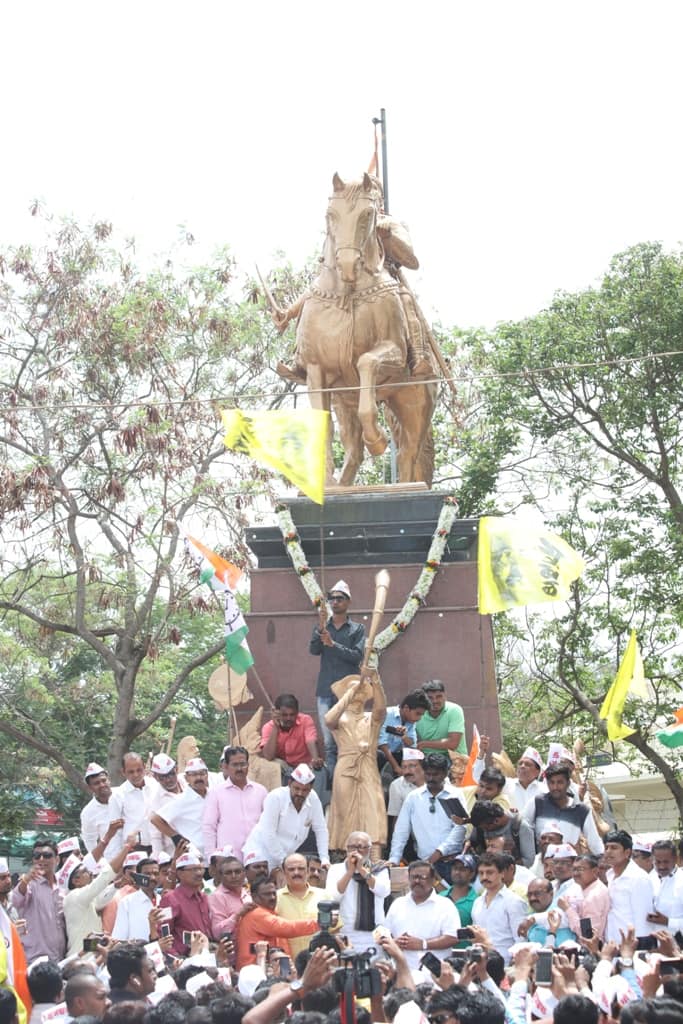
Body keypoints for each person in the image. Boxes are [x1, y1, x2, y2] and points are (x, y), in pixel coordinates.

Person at [324, 670, 387, 852]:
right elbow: (328, 720)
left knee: (372, 808)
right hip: (346, 766)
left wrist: (375, 679)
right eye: (354, 690)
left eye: (361, 690)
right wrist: (351, 691)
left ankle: (374, 854)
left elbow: (380, 710)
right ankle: (346, 853)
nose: (358, 692)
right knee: (345, 811)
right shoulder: (340, 718)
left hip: (368, 765)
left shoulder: (370, 718)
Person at [309, 580, 365, 771]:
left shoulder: (357, 629)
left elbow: (357, 656)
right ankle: (334, 784)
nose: (335, 602)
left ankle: (350, 779)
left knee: (350, 741)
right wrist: (320, 628)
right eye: (331, 599)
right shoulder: (323, 626)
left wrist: (333, 645)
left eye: (339, 598)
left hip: (348, 693)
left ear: (348, 601)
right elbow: (313, 650)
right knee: (329, 744)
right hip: (325, 690)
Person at [62, 829, 138, 956]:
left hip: (92, 955)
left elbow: (100, 901)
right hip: (81, 958)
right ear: (76, 881)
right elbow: (104, 878)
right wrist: (127, 847)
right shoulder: (75, 897)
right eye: (86, 871)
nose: (91, 873)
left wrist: (116, 885)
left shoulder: (84, 898)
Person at [389, 752, 466, 877]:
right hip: (425, 863)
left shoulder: (455, 795)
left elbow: (460, 828)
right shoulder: (413, 797)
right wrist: (394, 858)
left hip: (451, 863)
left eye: (435, 774)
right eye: (428, 774)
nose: (430, 778)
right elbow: (401, 831)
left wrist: (439, 852)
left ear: (445, 774)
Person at [243, 765, 330, 872]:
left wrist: (324, 858)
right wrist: (285, 861)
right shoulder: (276, 797)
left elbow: (321, 829)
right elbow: (268, 834)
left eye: (305, 790)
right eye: (296, 788)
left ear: (311, 788)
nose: (300, 793)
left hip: (286, 858)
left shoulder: (313, 798)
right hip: (260, 854)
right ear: (289, 784)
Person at [385, 860, 461, 970]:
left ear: (433, 880)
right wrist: (393, 943)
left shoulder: (446, 905)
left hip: (434, 974)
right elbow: (386, 933)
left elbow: (453, 937)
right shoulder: (398, 904)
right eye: (413, 877)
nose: (417, 881)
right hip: (401, 972)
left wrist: (423, 944)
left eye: (422, 877)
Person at [326, 831, 391, 952]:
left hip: (374, 934)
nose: (356, 851)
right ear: (346, 849)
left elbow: (383, 891)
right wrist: (350, 872)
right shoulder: (335, 869)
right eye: (352, 847)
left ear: (369, 849)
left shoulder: (379, 869)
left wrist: (361, 870)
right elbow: (333, 897)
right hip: (346, 932)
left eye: (361, 847)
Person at [235, 875, 319, 969]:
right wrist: (320, 923)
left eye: (274, 893)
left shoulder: (270, 913)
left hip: (271, 971)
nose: (272, 897)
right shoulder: (256, 914)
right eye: (267, 894)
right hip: (255, 973)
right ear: (254, 896)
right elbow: (287, 928)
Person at [523, 762, 604, 855]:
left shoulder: (581, 810)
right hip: (542, 861)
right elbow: (524, 827)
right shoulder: (537, 802)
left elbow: (594, 842)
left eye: (560, 782)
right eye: (552, 782)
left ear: (568, 783)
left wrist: (604, 859)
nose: (555, 787)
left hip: (569, 861)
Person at [260, 694, 328, 805]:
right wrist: (276, 727)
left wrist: (315, 759)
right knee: (271, 766)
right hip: (284, 768)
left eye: (292, 715)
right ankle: (278, 805)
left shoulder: (306, 720)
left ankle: (316, 806)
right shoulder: (268, 727)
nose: (288, 718)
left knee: (320, 770)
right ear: (277, 713)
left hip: (305, 766)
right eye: (284, 715)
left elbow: (311, 740)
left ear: (297, 713)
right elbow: (268, 756)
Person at [202, 747, 268, 860]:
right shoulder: (216, 793)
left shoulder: (261, 791)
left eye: (243, 764)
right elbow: (209, 827)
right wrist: (211, 857)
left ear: (248, 765)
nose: (239, 768)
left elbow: (268, 824)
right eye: (235, 765)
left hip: (256, 858)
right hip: (228, 859)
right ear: (226, 766)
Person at [11, 840, 66, 962]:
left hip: (59, 959)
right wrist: (25, 880)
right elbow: (15, 899)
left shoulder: (62, 889)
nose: (41, 859)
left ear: (57, 859)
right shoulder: (30, 885)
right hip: (35, 960)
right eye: (37, 856)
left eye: (47, 855)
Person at [471, 851, 528, 963]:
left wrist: (513, 966)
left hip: (505, 963)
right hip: (480, 963)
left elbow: (521, 940)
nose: (484, 877)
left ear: (502, 873)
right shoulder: (477, 902)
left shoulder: (514, 902)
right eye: (481, 873)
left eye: (490, 872)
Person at [151, 757, 209, 859]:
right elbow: (155, 820)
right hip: (192, 857)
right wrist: (176, 837)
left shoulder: (214, 795)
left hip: (213, 853)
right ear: (187, 778)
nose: (198, 778)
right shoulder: (180, 800)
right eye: (194, 775)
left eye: (202, 773)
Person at [603, 829, 654, 942]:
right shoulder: (609, 875)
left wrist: (639, 949)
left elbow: (643, 920)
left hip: (632, 945)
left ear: (627, 852)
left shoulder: (638, 878)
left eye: (614, 848)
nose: (608, 851)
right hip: (612, 943)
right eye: (606, 847)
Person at [276, 853, 330, 958]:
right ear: (283, 873)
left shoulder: (324, 896)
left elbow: (335, 930)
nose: (296, 872)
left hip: (320, 961)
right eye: (291, 869)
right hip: (287, 963)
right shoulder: (274, 898)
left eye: (301, 869)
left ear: (308, 871)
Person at [158, 850, 212, 956]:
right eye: (193, 870)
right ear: (180, 874)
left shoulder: (204, 897)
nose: (199, 873)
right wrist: (175, 957)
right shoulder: (169, 899)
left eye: (200, 869)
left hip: (206, 952)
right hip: (184, 956)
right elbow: (163, 932)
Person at [107, 752, 158, 854]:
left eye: (139, 770)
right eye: (131, 772)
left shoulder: (155, 785)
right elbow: (116, 831)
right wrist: (117, 857)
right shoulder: (118, 796)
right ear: (123, 772)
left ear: (144, 767)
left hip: (159, 844)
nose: (136, 775)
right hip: (134, 849)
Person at [557, 853, 609, 941]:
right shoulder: (585, 889)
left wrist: (567, 908)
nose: (575, 873)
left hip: (592, 946)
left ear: (595, 871)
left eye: (580, 869)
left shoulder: (594, 895)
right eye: (574, 869)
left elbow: (587, 934)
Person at [378, 689, 430, 776]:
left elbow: (412, 745)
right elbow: (382, 745)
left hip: (395, 754)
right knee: (380, 756)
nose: (419, 718)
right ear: (406, 708)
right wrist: (396, 767)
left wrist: (405, 737)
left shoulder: (411, 721)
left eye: (421, 715)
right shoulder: (387, 714)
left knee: (420, 756)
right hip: (379, 754)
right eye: (418, 714)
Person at [112, 856, 161, 941]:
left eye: (156, 874)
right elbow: (119, 938)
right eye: (147, 874)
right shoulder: (127, 902)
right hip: (138, 949)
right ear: (138, 876)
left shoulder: (163, 900)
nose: (152, 878)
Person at [147, 753, 186, 858]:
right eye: (163, 777)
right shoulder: (154, 800)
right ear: (155, 777)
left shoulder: (188, 784)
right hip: (175, 853)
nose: (169, 779)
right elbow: (155, 835)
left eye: (171, 774)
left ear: (176, 769)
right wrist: (158, 859)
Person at [415, 679, 466, 755]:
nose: (435, 701)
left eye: (439, 696)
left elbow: (453, 744)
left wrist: (424, 744)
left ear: (445, 696)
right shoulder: (418, 712)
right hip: (425, 757)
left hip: (454, 758)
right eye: (430, 698)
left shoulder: (455, 710)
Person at [80, 763, 119, 860]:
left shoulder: (123, 794)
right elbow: (90, 841)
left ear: (109, 780)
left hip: (137, 856)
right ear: (90, 787)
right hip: (112, 861)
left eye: (104, 780)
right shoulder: (88, 813)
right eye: (96, 783)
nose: (102, 785)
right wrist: (100, 863)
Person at [209, 856, 250, 939]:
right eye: (228, 873)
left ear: (244, 874)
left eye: (237, 872)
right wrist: (238, 915)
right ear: (221, 876)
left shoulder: (247, 893)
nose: (234, 876)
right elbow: (217, 932)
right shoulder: (217, 896)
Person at [438, 852, 479, 934]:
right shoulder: (440, 897)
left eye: (462, 869)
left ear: (471, 874)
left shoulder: (477, 901)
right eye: (455, 868)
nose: (457, 872)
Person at [647, 840, 683, 930]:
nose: (662, 866)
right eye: (658, 862)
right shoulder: (649, 879)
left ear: (676, 859)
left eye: (666, 862)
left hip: (676, 937)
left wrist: (668, 922)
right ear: (652, 859)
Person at [502, 747, 546, 812]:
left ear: (537, 772)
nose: (522, 766)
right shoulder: (506, 784)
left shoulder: (545, 790)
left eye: (528, 764)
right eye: (520, 763)